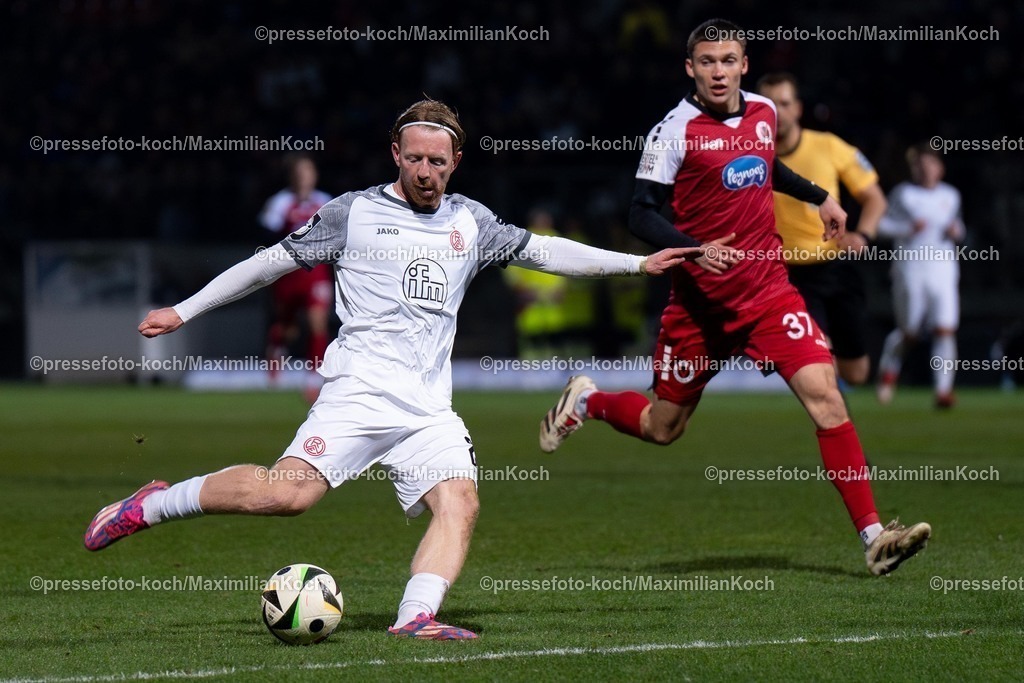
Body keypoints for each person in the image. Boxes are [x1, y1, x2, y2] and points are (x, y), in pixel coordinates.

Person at [83, 99, 700, 640]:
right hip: (359, 392)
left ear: (455, 160)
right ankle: (156, 503)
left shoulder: (471, 222)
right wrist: (184, 311)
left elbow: (544, 252)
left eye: (438, 161)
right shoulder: (352, 214)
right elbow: (268, 264)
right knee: (287, 496)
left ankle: (415, 617)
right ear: (395, 155)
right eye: (414, 159)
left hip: (428, 407)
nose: (425, 171)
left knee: (459, 500)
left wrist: (636, 265)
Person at [539, 19, 931, 576]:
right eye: (707, 61)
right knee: (663, 427)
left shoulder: (763, 113)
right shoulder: (673, 131)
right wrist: (695, 249)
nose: (718, 71)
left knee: (827, 396)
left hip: (769, 293)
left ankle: (874, 537)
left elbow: (766, 166)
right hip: (699, 307)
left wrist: (822, 197)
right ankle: (587, 402)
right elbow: (641, 214)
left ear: (744, 65)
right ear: (690, 68)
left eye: (728, 60)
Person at [757, 72, 888, 386]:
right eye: (770, 104)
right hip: (785, 277)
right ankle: (836, 429)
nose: (778, 111)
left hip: (835, 268)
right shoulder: (747, 156)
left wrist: (863, 235)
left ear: (798, 108)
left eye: (785, 103)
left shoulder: (828, 146)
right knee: (818, 363)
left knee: (856, 373)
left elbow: (875, 198)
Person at [876, 144, 965, 408]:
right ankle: (888, 372)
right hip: (910, 268)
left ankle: (943, 391)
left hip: (943, 269)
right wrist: (906, 228)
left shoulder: (951, 195)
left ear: (940, 169)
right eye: (921, 165)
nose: (926, 170)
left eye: (930, 165)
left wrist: (956, 231)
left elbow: (960, 229)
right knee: (910, 332)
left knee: (944, 329)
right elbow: (880, 225)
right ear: (915, 168)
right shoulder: (903, 194)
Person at [258, 154, 333, 390]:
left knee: (317, 322)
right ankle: (276, 357)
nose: (304, 178)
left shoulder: (325, 201)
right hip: (288, 273)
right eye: (300, 173)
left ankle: (314, 376)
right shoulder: (280, 203)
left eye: (308, 172)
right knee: (287, 327)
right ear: (292, 176)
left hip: (316, 272)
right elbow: (268, 235)